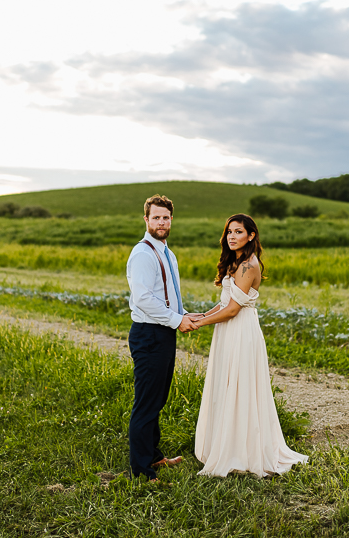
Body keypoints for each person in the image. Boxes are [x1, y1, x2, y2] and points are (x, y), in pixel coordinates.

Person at [190, 213, 308, 477]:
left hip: (241, 331)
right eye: (229, 232)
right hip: (228, 331)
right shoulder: (236, 262)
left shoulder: (248, 266)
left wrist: (199, 325)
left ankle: (241, 451)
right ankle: (226, 444)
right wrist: (201, 314)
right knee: (227, 383)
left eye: (238, 232)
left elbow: (232, 310)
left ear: (251, 235)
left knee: (240, 386)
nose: (232, 237)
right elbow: (224, 303)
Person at [126, 194, 198, 481]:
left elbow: (166, 295)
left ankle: (154, 457)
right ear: (146, 219)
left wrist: (183, 314)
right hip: (149, 334)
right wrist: (176, 320)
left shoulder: (168, 253)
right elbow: (143, 298)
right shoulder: (143, 253)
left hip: (164, 333)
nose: (161, 222)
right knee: (146, 402)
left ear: (171, 220)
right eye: (156, 217)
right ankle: (141, 471)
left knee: (157, 399)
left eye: (165, 217)